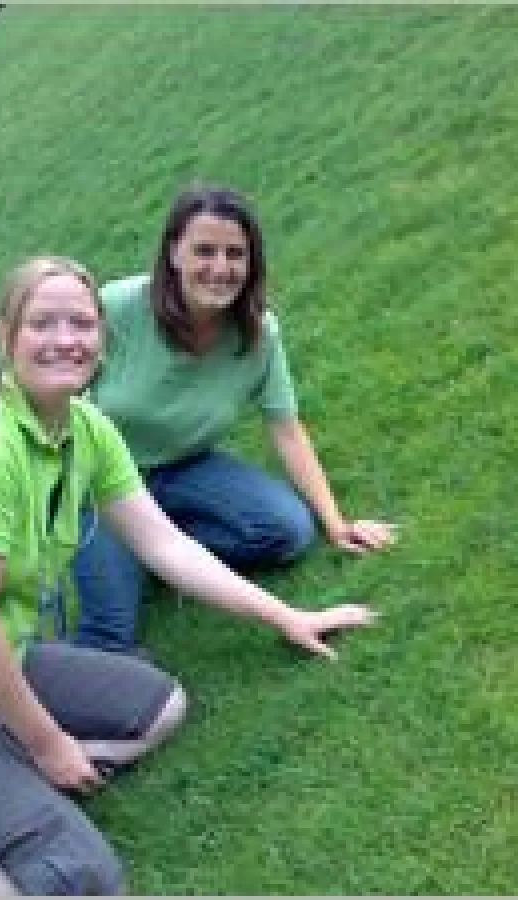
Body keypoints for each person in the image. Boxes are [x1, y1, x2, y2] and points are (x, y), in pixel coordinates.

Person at [0, 256, 375, 896]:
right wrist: (49, 744)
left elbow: (166, 546)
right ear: (5, 336)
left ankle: (1, 775)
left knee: (160, 707)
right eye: (43, 323)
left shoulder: (84, 429)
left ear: (103, 338)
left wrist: (288, 617)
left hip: (4, 667)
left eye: (82, 324)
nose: (66, 340)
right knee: (82, 884)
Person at [73, 185, 396, 653]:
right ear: (174, 253)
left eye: (235, 254)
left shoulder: (258, 333)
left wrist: (337, 524)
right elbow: (55, 394)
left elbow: (287, 430)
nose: (221, 268)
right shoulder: (118, 307)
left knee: (288, 531)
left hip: (184, 467)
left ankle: (160, 546)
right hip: (102, 484)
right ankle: (141, 552)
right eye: (204, 251)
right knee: (111, 628)